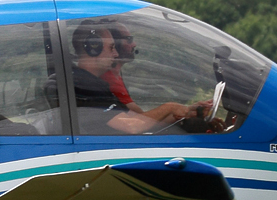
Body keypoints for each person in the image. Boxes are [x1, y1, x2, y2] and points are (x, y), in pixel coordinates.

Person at [69, 24, 206, 134]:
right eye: (111, 48)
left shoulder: (94, 84)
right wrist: (170, 107)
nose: (116, 54)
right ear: (94, 48)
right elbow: (132, 126)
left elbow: (141, 121)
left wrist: (188, 112)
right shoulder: (84, 87)